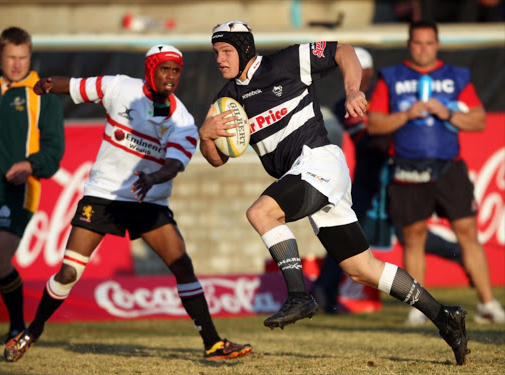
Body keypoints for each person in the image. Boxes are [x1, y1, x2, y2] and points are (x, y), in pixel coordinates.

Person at [199, 20, 470, 365]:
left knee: (261, 212)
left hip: (319, 161)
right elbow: (217, 159)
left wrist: (354, 89)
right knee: (361, 268)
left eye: (226, 51)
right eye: (215, 53)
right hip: (311, 176)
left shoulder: (284, 62)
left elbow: (344, 51)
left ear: (245, 48)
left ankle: (299, 295)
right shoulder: (226, 100)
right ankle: (445, 317)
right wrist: (205, 135)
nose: (220, 59)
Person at [4, 45, 252, 362]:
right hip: (104, 196)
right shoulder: (120, 87)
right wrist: (49, 83)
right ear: (150, 69)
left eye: (176, 71)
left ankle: (213, 344)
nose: (171, 77)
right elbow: (76, 84)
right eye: (165, 69)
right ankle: (31, 332)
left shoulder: (182, 119)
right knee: (68, 273)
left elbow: (176, 163)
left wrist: (154, 178)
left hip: (147, 200)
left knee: (182, 266)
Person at [367, 20, 505, 325]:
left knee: (468, 233)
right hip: (407, 168)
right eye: (417, 43)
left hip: (448, 168)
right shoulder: (391, 77)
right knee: (414, 237)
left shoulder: (456, 77)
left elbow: (479, 120)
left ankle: (488, 304)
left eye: (429, 43)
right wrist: (405, 115)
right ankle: (420, 309)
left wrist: (450, 114)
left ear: (437, 44)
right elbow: (374, 124)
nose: (423, 49)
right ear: (409, 44)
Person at [313, 47, 465, 322]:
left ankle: (459, 254)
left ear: (368, 72)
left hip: (395, 176)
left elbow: (393, 130)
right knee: (346, 234)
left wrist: (391, 122)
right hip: (368, 179)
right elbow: (372, 137)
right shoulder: (343, 103)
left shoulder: (387, 95)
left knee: (410, 233)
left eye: (358, 71)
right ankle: (325, 293)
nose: (353, 76)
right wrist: (391, 123)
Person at [0, 27, 65, 344]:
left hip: (15, 192)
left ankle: (16, 326)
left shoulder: (41, 96)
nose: (18, 64)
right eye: (12, 57)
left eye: (24, 57)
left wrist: (31, 164)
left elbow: (54, 149)